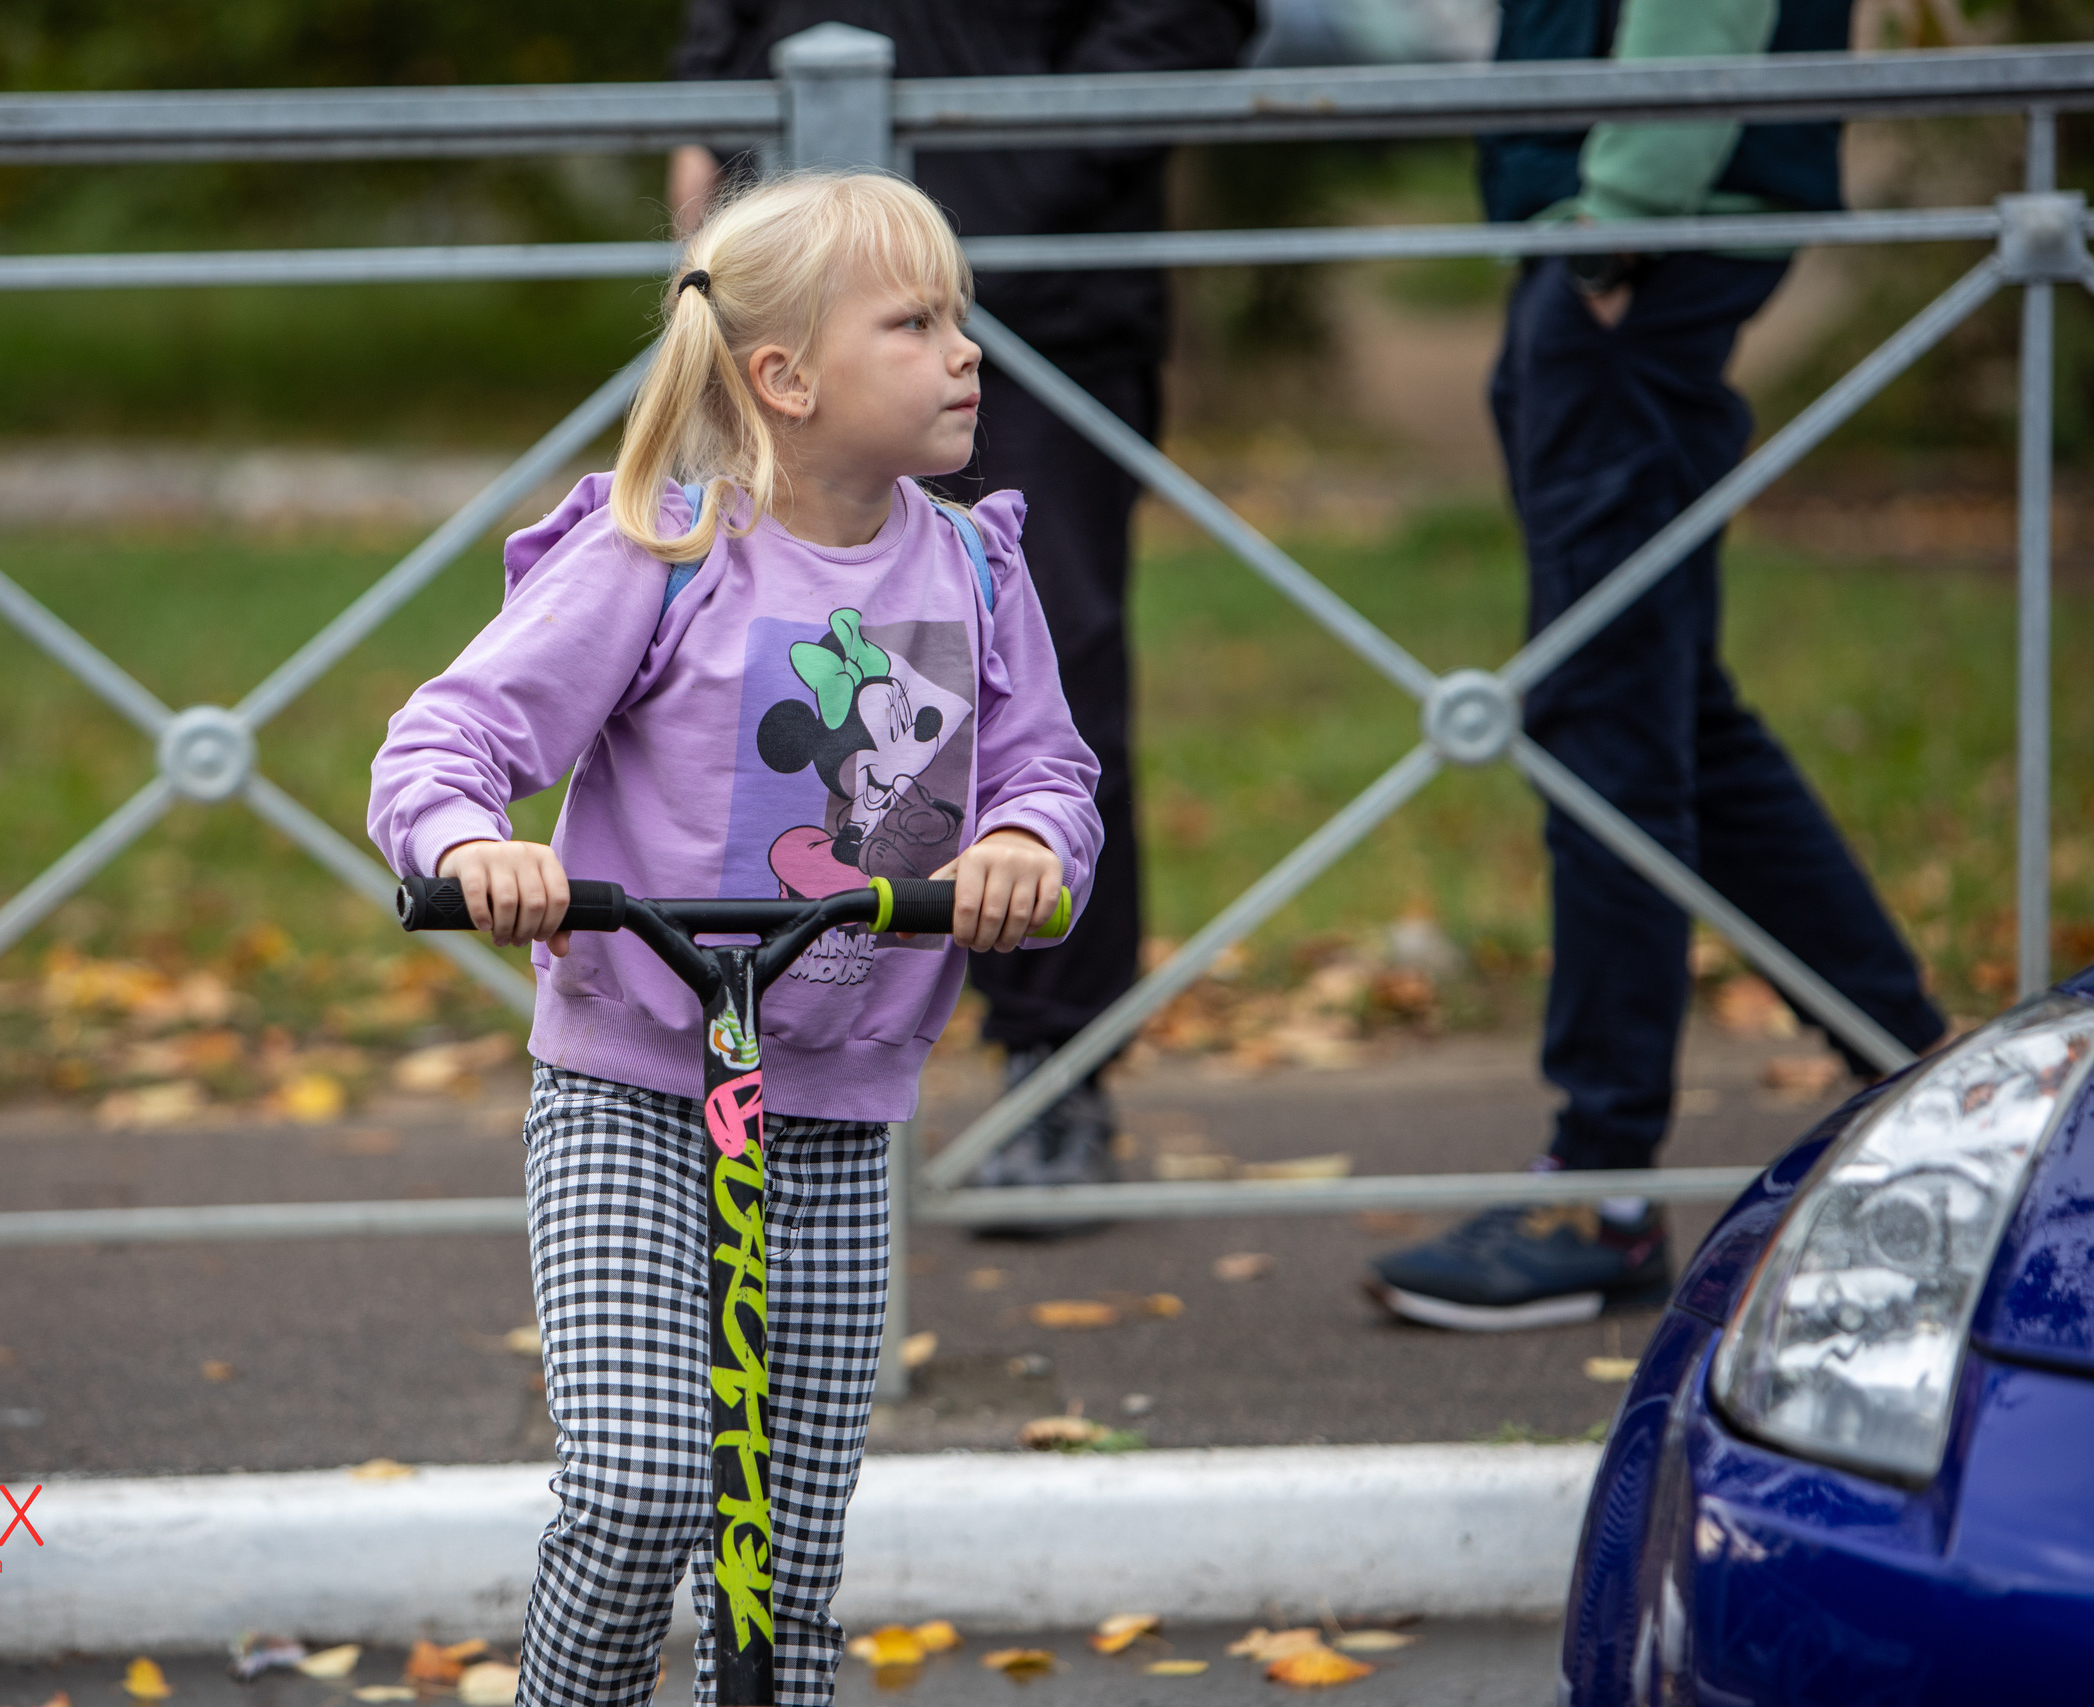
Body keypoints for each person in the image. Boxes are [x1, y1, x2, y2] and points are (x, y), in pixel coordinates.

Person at [368, 171, 1100, 1707]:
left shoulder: (973, 566)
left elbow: (1046, 767)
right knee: (642, 1488)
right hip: (634, 1091)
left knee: (785, 1546)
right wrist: (476, 846)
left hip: (836, 1106)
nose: (966, 350)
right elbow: (452, 734)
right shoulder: (668, 546)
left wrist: (1029, 842)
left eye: (960, 318)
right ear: (785, 375)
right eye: (915, 322)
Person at [1366, 0, 1946, 1332]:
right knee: (1664, 701)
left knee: (1606, 717)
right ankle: (1921, 1084)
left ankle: (1607, 1183)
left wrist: (1613, 219)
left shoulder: (1624, 238)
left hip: (1637, 233)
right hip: (1633, 230)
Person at [671, 0, 1255, 1197]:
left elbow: (1181, 18)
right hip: (793, 302)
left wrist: (960, 227)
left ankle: (1053, 1064)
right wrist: (714, 179)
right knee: (751, 665)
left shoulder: (963, 335)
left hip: (1046, 293)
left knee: (1043, 668)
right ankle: (740, 1050)